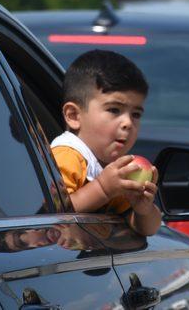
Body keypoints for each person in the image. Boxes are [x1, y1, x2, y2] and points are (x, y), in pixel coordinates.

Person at [50, 49, 161, 236]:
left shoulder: (115, 169)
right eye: (114, 110)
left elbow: (148, 230)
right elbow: (53, 216)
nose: (127, 123)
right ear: (73, 115)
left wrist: (143, 210)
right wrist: (103, 188)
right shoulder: (67, 155)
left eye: (136, 114)